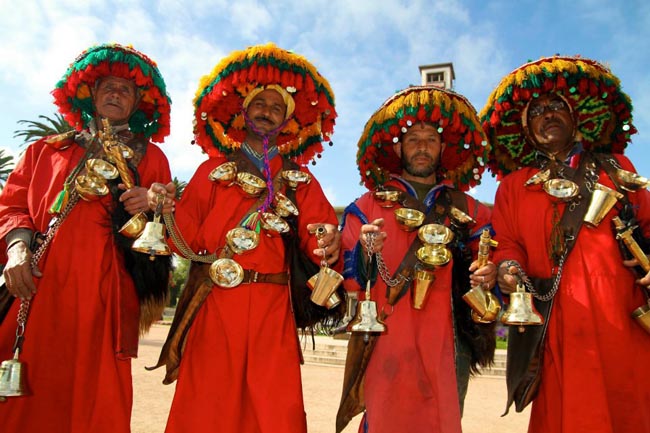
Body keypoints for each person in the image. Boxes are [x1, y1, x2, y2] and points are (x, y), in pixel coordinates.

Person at [147, 43, 342, 433]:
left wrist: (329, 242)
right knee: (207, 406)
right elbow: (183, 238)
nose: (267, 110)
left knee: (273, 410)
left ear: (286, 121)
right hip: (216, 301)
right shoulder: (210, 171)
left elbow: (319, 235)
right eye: (260, 103)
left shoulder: (299, 179)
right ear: (243, 111)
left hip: (274, 306)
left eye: (277, 107)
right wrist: (165, 208)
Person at [0, 43, 172, 432]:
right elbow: (11, 207)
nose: (115, 94)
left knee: (98, 400)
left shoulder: (153, 158)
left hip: (108, 294)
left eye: (125, 89)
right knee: (23, 401)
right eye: (107, 87)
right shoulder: (43, 151)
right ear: (90, 95)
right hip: (37, 287)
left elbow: (168, 231)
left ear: (137, 103)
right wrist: (16, 248)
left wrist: (153, 203)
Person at [480, 55, 650, 432]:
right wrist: (509, 270)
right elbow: (506, 244)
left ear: (576, 119)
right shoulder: (513, 187)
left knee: (630, 408)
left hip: (623, 319)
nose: (547, 114)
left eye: (557, 106)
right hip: (556, 325)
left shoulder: (616, 167)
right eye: (536, 111)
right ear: (526, 131)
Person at [336, 85, 498, 433]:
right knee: (384, 419)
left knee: (442, 420)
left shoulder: (470, 210)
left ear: (443, 148)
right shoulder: (366, 206)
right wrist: (365, 250)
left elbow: (491, 266)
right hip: (386, 331)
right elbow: (348, 276)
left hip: (449, 337)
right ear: (398, 148)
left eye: (430, 139)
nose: (422, 146)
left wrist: (489, 273)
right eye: (413, 139)